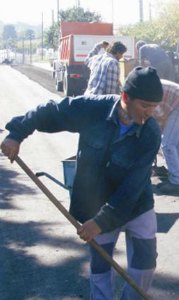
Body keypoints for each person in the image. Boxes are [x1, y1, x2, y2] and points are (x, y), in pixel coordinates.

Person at [1, 66, 164, 299]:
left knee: (145, 264)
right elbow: (50, 112)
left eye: (154, 106)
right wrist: (16, 134)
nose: (150, 113)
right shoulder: (92, 109)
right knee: (101, 266)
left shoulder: (150, 133)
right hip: (95, 202)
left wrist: (101, 221)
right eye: (144, 106)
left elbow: (132, 188)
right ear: (125, 97)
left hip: (136, 205)